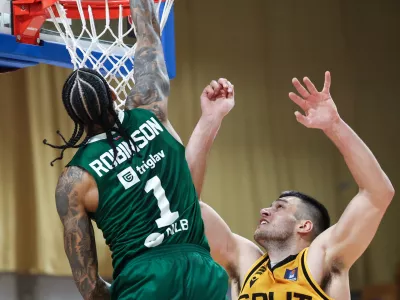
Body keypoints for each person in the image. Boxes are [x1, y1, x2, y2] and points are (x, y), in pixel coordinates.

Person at [44, 0, 235, 298]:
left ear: (74, 118)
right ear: (110, 93)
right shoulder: (150, 108)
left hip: (143, 281)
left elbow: (89, 284)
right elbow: (149, 40)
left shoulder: (74, 182)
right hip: (202, 272)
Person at [184, 72, 395, 300]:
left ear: (304, 226)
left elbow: (378, 194)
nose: (265, 211)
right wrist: (210, 119)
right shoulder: (245, 261)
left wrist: (334, 125)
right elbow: (185, 203)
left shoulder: (320, 258)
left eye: (280, 207)